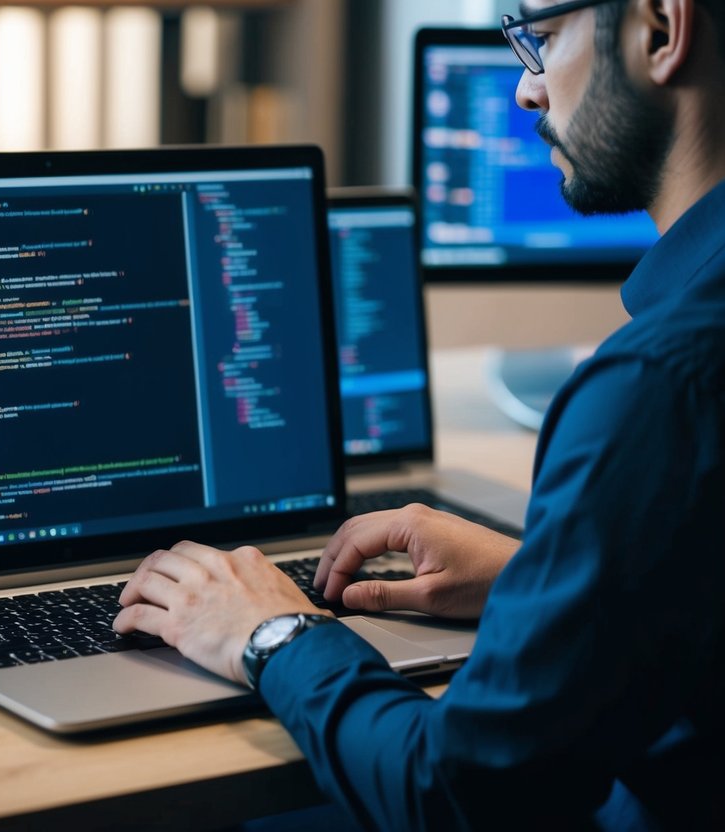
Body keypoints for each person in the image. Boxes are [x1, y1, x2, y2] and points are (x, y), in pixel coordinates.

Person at [113, 0, 725, 827]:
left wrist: (270, 634)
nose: (525, 92)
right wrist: (537, 580)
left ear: (658, 28)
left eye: (540, 40)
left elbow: (461, 796)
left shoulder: (657, 386)